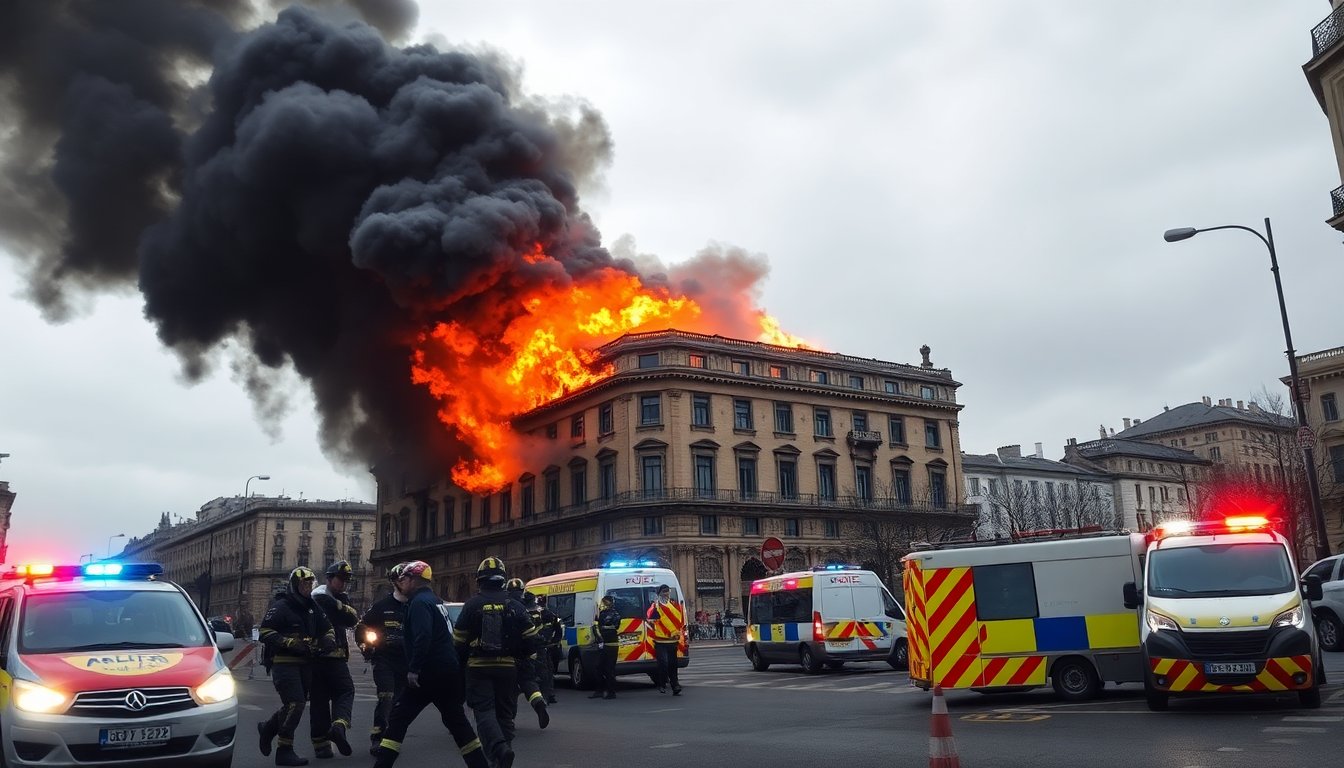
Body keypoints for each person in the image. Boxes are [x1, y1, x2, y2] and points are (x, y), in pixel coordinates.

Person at [372, 560, 489, 768]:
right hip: (448, 671)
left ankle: (382, 765)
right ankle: (480, 765)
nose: (402, 582)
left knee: (399, 718)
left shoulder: (418, 603)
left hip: (428, 673)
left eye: (404, 578)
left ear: (414, 580)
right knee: (457, 723)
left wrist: (414, 669)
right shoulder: (436, 600)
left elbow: (423, 636)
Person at [454, 557, 540, 768]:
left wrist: (462, 664)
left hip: (478, 668)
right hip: (508, 668)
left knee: (484, 711)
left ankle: (499, 749)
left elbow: (458, 641)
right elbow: (531, 637)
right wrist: (522, 657)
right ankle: (504, 752)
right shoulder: (515, 606)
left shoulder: (472, 604)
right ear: (503, 580)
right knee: (505, 713)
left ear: (479, 581)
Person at [258, 566, 335, 767]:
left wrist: (328, 640)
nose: (307, 587)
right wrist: (288, 642)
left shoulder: (313, 607)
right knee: (296, 704)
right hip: (284, 663)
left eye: (310, 583)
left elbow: (327, 628)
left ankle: (268, 728)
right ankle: (284, 750)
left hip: (306, 663)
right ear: (294, 585)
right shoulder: (282, 605)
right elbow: (264, 631)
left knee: (293, 705)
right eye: (303, 583)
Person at [356, 563, 410, 755]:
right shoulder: (382, 606)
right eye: (402, 579)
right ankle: (377, 738)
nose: (406, 583)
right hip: (384, 659)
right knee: (385, 697)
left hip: (407, 662)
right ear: (395, 582)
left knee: (400, 701)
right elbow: (361, 627)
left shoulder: (417, 605)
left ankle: (392, 737)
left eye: (408, 579)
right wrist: (366, 646)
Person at [309, 560, 359, 757]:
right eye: (340, 580)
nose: (344, 584)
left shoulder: (338, 598)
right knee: (343, 691)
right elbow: (347, 616)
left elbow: (353, 619)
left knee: (323, 699)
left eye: (346, 581)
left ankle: (329, 737)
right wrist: (340, 606)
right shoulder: (319, 597)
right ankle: (331, 734)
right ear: (329, 579)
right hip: (325, 656)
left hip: (328, 657)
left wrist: (340, 605)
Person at [502, 577, 548, 732]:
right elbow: (532, 633)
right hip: (525, 654)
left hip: (507, 655)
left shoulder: (504, 605)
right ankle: (539, 703)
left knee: (510, 689)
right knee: (529, 682)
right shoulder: (527, 607)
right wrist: (532, 653)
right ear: (522, 591)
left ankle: (509, 719)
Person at [646, 584, 684, 695]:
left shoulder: (673, 605)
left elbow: (679, 619)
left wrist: (678, 633)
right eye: (663, 591)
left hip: (673, 640)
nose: (666, 593)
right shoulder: (655, 606)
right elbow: (649, 618)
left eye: (667, 591)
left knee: (673, 664)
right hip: (660, 641)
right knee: (663, 664)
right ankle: (662, 683)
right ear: (659, 593)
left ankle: (675, 685)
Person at [532, 592, 562, 704]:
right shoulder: (552, 615)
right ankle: (549, 694)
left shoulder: (535, 615)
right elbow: (559, 630)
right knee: (548, 670)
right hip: (548, 646)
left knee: (542, 671)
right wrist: (554, 642)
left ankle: (545, 695)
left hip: (539, 647)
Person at [590, 593, 621, 700]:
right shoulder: (601, 613)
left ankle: (611, 692)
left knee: (609, 669)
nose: (604, 605)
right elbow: (596, 626)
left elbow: (614, 626)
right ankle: (599, 690)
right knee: (598, 668)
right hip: (602, 644)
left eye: (606, 602)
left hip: (611, 645)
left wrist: (603, 626)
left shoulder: (615, 614)